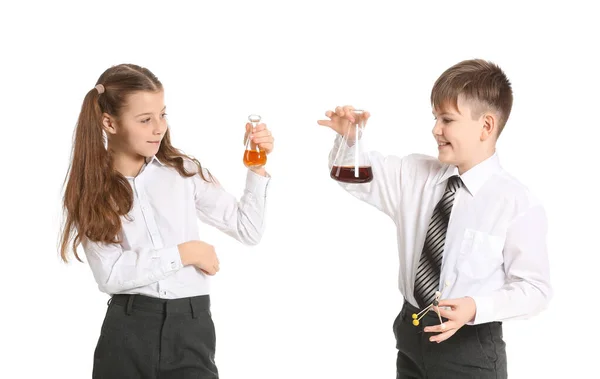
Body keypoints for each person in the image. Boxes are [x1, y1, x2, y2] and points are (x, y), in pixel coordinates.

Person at [317, 59, 551, 379]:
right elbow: (349, 177)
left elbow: (535, 289)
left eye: (447, 119)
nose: (435, 129)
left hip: (470, 351)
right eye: (435, 118)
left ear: (486, 126)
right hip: (411, 337)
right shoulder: (415, 176)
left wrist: (475, 307)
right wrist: (349, 141)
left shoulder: (516, 202)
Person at [59, 63, 274, 379]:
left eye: (162, 114)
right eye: (145, 120)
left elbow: (247, 229)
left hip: (190, 327)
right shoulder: (91, 189)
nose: (159, 128)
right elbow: (110, 275)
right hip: (126, 333)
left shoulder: (182, 170)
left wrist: (257, 168)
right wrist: (186, 253)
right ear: (109, 122)